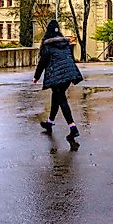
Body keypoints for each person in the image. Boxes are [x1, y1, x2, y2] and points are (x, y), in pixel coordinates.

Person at [33, 19, 84, 148]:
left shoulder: (47, 45)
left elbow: (43, 62)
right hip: (68, 74)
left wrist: (36, 77)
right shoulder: (64, 43)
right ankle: (49, 123)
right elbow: (70, 59)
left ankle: (73, 128)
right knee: (56, 97)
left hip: (57, 75)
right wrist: (73, 74)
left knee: (61, 99)